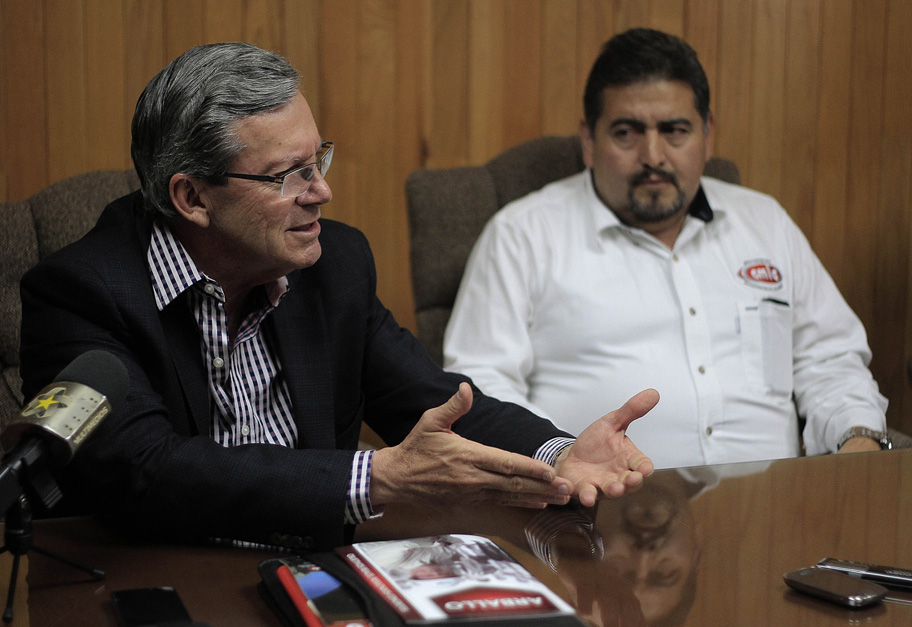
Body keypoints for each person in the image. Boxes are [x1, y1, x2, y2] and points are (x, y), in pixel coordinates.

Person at [18, 42, 655, 551]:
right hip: (157, 583)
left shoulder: (332, 264)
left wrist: (557, 454)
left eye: (317, 159)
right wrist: (370, 477)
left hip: (315, 571)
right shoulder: (83, 294)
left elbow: (435, 401)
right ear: (191, 198)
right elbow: (143, 471)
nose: (320, 191)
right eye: (287, 175)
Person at [443, 28, 889, 469]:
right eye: (626, 132)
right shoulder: (522, 236)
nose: (653, 155)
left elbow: (830, 360)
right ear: (588, 140)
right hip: (594, 516)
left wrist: (858, 439)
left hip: (772, 515)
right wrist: (557, 467)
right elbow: (482, 391)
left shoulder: (765, 222)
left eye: (675, 130)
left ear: (708, 134)